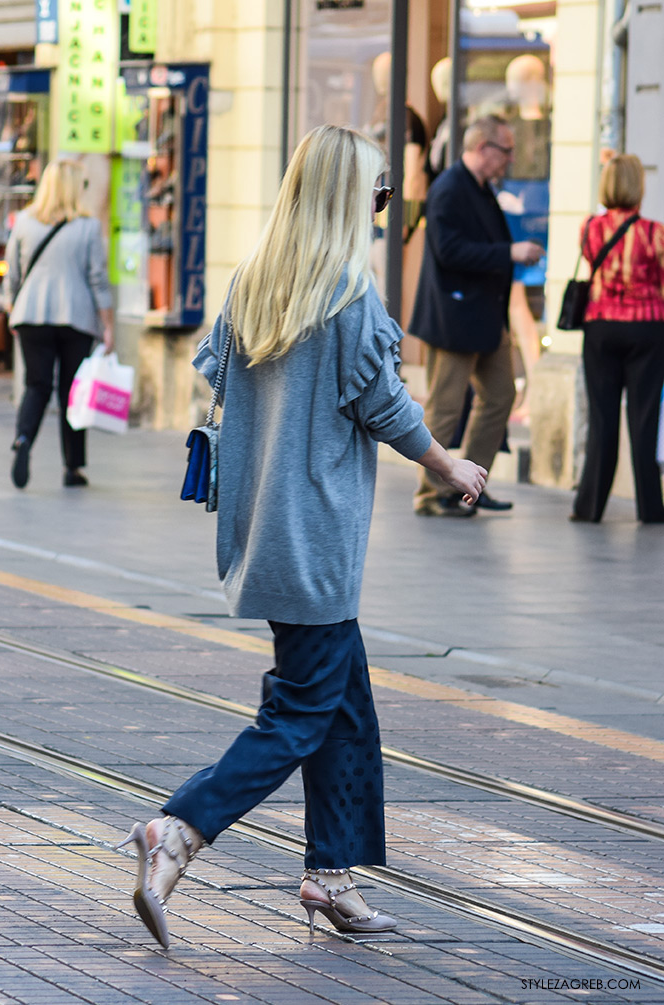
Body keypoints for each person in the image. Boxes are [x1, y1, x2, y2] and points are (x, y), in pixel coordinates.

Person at [117, 125, 487, 949]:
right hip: (317, 538)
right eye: (377, 196)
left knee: (343, 706)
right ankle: (176, 831)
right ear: (346, 200)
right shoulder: (349, 296)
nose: (383, 211)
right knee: (298, 713)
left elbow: (216, 375)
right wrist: (447, 463)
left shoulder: (256, 283)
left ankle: (331, 874)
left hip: (264, 529)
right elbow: (384, 407)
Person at [409, 114, 542, 516]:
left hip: (485, 319)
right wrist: (509, 253)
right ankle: (433, 493)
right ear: (483, 147)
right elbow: (449, 251)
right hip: (455, 318)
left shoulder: (481, 187)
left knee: (501, 395)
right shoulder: (449, 187)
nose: (509, 159)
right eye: (505, 150)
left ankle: (471, 485)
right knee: (445, 408)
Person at [4, 159, 114, 489]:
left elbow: (12, 273)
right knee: (72, 393)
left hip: (31, 315)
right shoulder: (88, 227)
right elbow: (98, 280)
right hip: (75, 318)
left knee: (37, 385)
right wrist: (107, 325)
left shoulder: (23, 222)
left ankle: (24, 439)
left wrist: (14, 310)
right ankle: (73, 467)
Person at [572, 154, 664, 524]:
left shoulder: (590, 228)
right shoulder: (655, 233)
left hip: (601, 328)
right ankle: (651, 509)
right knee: (644, 420)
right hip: (648, 328)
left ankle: (589, 507)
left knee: (602, 418)